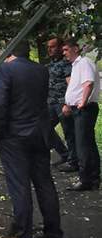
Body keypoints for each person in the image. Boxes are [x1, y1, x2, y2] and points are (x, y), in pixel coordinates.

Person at [0, 41, 63, 238]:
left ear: (10, 53)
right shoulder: (41, 71)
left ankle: (23, 234)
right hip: (39, 134)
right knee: (44, 183)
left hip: (14, 136)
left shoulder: (5, 71)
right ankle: (53, 232)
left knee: (19, 184)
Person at [60, 38, 100, 191]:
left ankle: (86, 180)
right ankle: (93, 178)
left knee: (83, 145)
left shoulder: (84, 63)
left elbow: (88, 83)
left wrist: (82, 102)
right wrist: (68, 103)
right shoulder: (76, 65)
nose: (64, 53)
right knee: (87, 144)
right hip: (78, 108)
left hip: (84, 108)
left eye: (66, 50)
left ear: (76, 49)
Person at [45, 37, 75, 165]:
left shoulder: (66, 64)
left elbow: (71, 84)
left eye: (53, 46)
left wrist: (67, 104)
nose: (49, 49)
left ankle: (74, 162)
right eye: (48, 47)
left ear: (60, 47)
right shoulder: (51, 63)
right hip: (50, 103)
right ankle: (65, 154)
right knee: (45, 128)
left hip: (63, 103)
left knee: (69, 133)